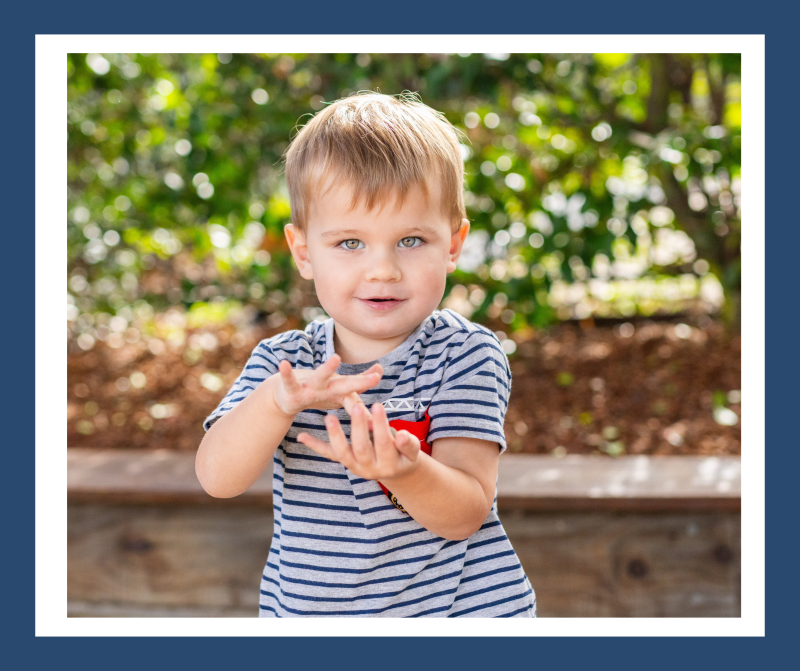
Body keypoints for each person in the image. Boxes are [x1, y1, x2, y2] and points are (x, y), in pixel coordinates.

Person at [196, 92, 536, 618]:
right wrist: (276, 403)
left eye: (411, 240)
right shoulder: (282, 364)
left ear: (453, 243)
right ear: (304, 252)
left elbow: (467, 510)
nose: (383, 270)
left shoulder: (463, 354)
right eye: (351, 243)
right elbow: (218, 479)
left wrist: (405, 472)